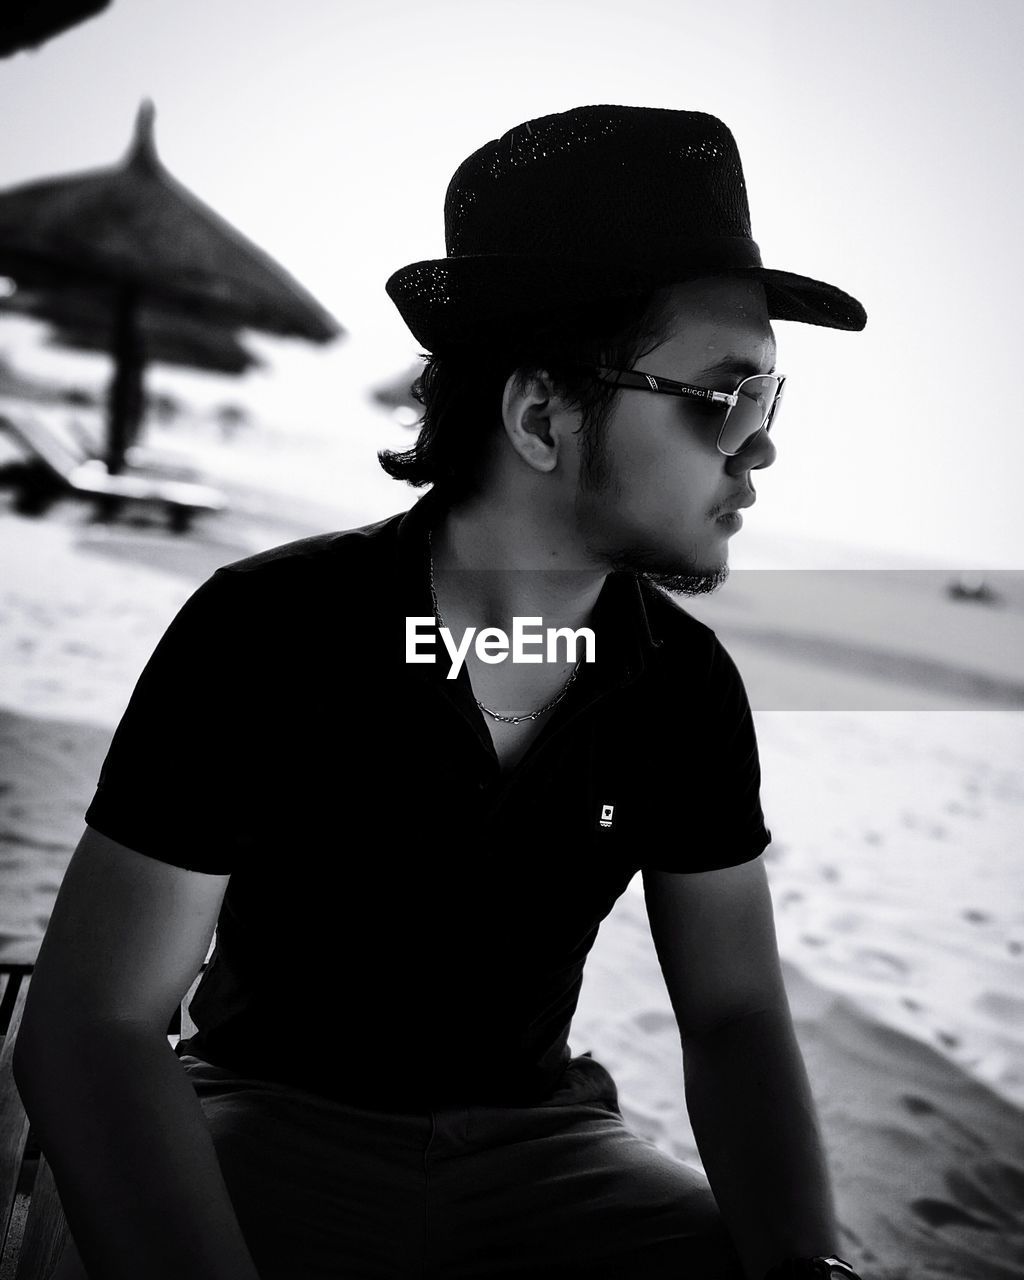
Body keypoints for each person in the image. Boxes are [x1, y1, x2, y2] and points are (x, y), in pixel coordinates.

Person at [14, 105, 868, 1280]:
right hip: (262, 1115)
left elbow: (730, 1013)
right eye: (724, 398)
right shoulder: (269, 629)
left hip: (548, 1141)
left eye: (772, 399)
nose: (759, 448)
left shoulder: (685, 689)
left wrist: (803, 1266)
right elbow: (92, 1025)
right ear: (539, 414)